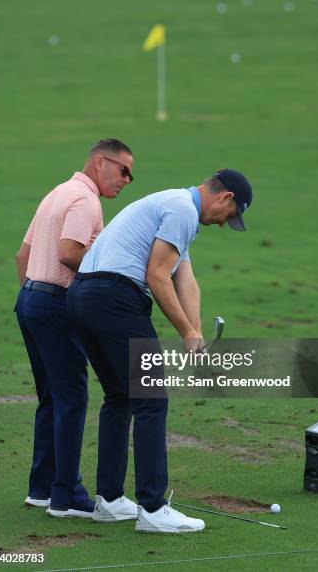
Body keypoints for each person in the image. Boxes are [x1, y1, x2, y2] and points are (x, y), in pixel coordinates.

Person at [66, 168, 253, 532]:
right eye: (227, 217)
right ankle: (152, 508)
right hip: (114, 297)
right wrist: (185, 331)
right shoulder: (182, 208)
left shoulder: (175, 205)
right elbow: (156, 275)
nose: (220, 224)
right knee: (152, 398)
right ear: (225, 198)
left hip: (83, 297)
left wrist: (195, 332)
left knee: (120, 395)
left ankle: (109, 500)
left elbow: (186, 280)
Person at [15, 138, 134, 518]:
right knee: (72, 398)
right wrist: (108, 275)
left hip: (30, 301)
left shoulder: (57, 192)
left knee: (52, 397)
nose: (127, 180)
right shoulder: (85, 200)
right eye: (123, 171)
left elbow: (23, 255)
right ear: (100, 163)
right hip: (52, 305)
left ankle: (42, 488)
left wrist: (33, 297)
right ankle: (66, 496)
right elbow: (69, 253)